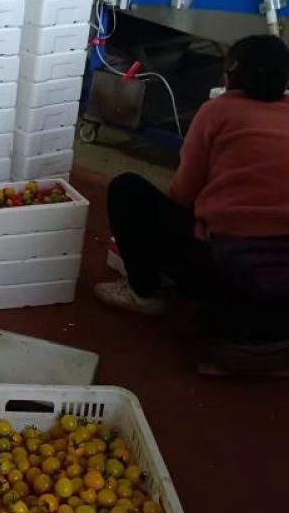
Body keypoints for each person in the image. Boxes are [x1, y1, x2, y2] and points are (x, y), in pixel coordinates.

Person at [95, 34, 289, 346]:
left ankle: (143, 294)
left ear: (232, 73)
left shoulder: (218, 111)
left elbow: (183, 194)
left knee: (127, 189)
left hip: (223, 270)